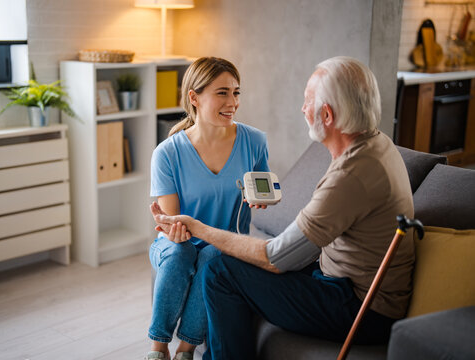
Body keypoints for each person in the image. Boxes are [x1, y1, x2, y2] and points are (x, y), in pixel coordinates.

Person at [151, 56, 415, 360]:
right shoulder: (376, 145)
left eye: (307, 101)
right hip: (346, 284)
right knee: (217, 260)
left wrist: (198, 228)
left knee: (219, 269)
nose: (303, 109)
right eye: (223, 92)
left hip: (360, 306)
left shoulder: (351, 173)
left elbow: (276, 258)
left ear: (326, 115)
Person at [147, 57, 270, 360]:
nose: (233, 102)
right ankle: (157, 349)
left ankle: (185, 352)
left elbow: (263, 187)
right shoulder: (167, 154)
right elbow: (174, 224)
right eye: (222, 93)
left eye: (236, 92)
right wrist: (172, 231)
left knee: (215, 256)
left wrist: (261, 199)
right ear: (194, 98)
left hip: (226, 243)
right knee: (180, 253)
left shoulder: (254, 141)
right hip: (178, 241)